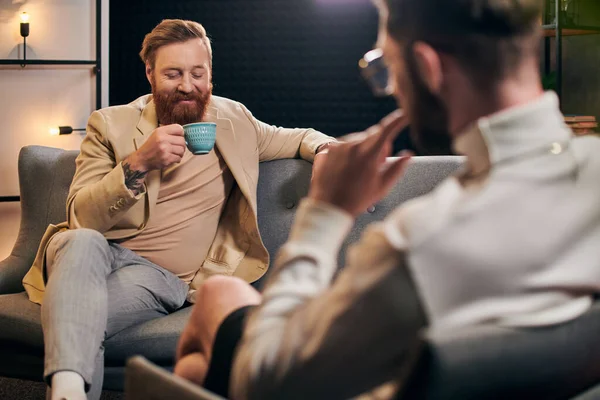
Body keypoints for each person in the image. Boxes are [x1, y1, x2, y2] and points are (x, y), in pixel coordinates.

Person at [174, 0, 600, 399]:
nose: (394, 91)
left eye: (388, 68)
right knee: (207, 342)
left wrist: (324, 213)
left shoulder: (416, 243)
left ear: (428, 68)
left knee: (211, 319)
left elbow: (262, 380)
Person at [21, 19, 334, 400]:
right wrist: (138, 163)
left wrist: (325, 151)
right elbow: (80, 218)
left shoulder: (234, 121)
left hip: (156, 278)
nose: (187, 85)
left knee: (82, 317)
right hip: (86, 253)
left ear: (210, 75)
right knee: (83, 241)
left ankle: (66, 391)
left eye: (197, 73)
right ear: (150, 73)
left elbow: (299, 137)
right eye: (173, 74)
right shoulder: (109, 124)